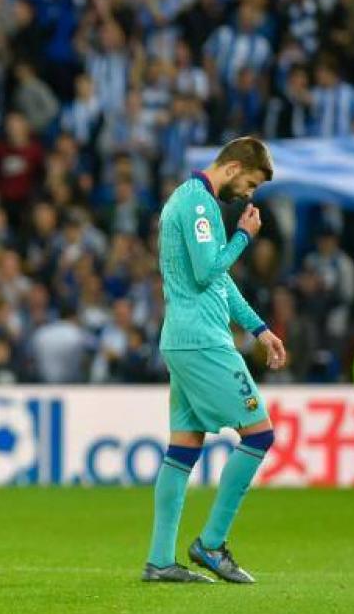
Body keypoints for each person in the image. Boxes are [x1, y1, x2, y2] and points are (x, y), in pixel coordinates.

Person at [143, 137, 288, 584]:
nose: (248, 194)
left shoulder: (188, 201)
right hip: (204, 342)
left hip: (182, 339)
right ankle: (210, 544)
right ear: (235, 166)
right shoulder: (201, 205)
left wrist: (261, 329)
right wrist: (244, 236)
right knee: (259, 434)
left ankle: (160, 560)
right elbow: (210, 272)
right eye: (250, 183)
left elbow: (218, 282)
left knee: (183, 448)